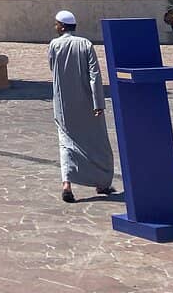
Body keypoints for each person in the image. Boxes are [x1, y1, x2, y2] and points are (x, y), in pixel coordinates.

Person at [48, 10, 115, 203]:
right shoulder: (85, 44)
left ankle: (67, 183)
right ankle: (101, 182)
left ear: (62, 26)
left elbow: (52, 68)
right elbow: (95, 74)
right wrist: (99, 102)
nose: (55, 27)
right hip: (87, 102)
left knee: (66, 142)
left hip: (63, 102)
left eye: (56, 24)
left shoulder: (54, 45)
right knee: (95, 141)